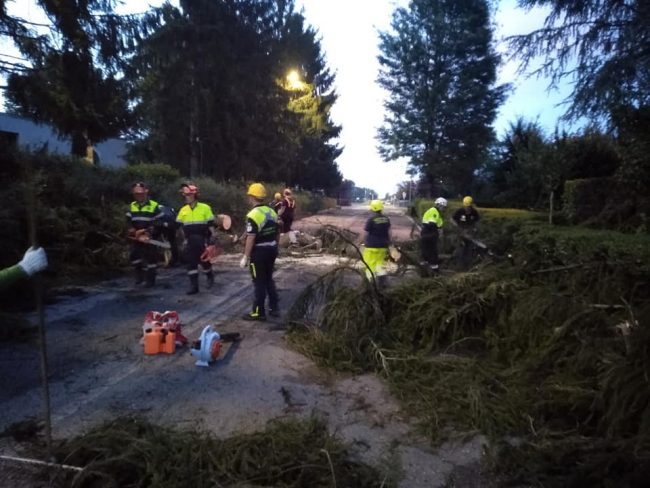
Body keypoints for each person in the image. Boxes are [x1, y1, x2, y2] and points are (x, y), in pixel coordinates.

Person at [239, 183, 280, 321]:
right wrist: (276, 246)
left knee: (259, 282)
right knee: (268, 279)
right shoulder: (271, 211)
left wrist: (246, 256)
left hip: (259, 253)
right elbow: (277, 231)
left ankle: (258, 312)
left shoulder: (253, 214)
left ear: (252, 197)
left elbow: (251, 237)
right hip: (272, 249)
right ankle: (274, 307)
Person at [176, 184, 215, 295]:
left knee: (204, 262)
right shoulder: (183, 210)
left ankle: (209, 275)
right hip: (189, 240)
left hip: (202, 239)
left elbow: (211, 226)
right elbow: (179, 227)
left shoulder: (205, 208)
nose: (186, 197)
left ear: (195, 195)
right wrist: (182, 240)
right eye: (185, 195)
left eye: (189, 195)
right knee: (191, 263)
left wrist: (212, 240)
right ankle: (194, 286)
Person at [126, 182, 162, 288]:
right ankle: (139, 276)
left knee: (151, 259)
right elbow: (128, 222)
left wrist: (148, 232)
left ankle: (150, 280)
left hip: (149, 237)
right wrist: (133, 231)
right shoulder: (132, 206)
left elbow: (159, 222)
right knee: (134, 256)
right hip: (136, 237)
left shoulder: (154, 205)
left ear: (146, 193)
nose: (138, 196)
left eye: (140, 194)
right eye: (136, 194)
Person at [359, 200, 391, 285]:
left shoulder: (371, 219)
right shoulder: (386, 219)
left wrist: (360, 242)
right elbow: (389, 232)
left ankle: (369, 283)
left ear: (372, 208)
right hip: (383, 246)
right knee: (379, 264)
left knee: (370, 265)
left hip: (371, 246)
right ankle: (382, 282)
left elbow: (365, 232)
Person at [451, 196, 481, 268]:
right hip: (460, 233)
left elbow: (477, 221)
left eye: (469, 207)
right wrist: (457, 226)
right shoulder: (460, 211)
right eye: (466, 207)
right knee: (461, 248)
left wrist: (475, 228)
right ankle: (459, 264)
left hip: (470, 233)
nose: (467, 208)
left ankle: (468, 264)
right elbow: (452, 219)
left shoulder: (474, 212)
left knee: (470, 249)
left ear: (471, 205)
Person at [420, 197, 447, 274]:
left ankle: (424, 270)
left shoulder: (435, 212)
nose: (444, 209)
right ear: (440, 205)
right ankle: (435, 271)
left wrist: (440, 230)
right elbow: (432, 224)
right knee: (432, 253)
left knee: (426, 252)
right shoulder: (434, 211)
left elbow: (439, 225)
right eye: (443, 207)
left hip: (427, 234)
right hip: (429, 234)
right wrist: (437, 232)